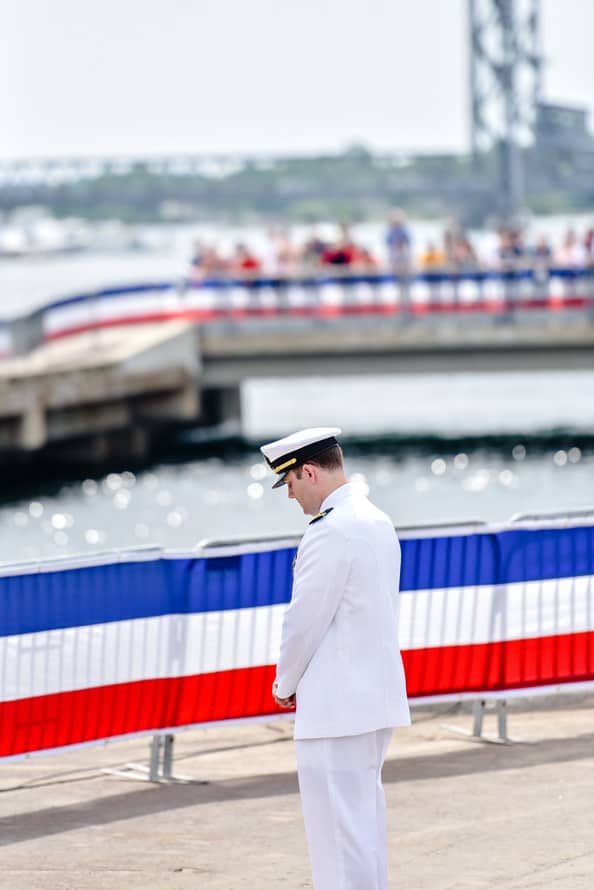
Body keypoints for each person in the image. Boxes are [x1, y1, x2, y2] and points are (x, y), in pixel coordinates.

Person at [260, 427, 410, 890]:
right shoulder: (376, 519)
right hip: (373, 701)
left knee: (337, 842)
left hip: (336, 708)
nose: (291, 496)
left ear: (308, 472)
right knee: (363, 831)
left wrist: (284, 684)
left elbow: (304, 622)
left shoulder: (330, 531)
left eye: (289, 484)